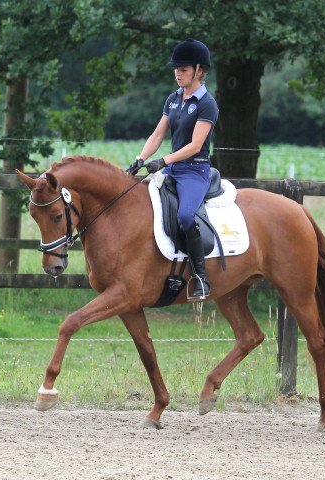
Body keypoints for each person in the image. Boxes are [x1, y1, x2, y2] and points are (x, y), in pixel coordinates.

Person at [134, 38, 219, 300]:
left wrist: (165, 161)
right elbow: (158, 134)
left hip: (194, 171)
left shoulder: (207, 104)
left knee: (184, 216)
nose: (177, 73)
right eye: (176, 69)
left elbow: (195, 145)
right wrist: (140, 158)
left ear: (199, 71)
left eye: (183, 69)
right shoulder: (173, 99)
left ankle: (201, 277)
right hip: (171, 169)